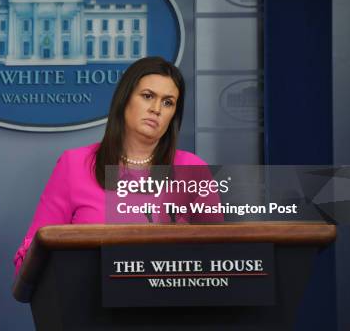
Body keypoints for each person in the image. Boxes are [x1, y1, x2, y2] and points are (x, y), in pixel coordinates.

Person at [13, 57, 223, 274]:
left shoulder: (192, 168)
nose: (156, 109)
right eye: (148, 96)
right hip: (87, 300)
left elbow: (219, 256)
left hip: (171, 301)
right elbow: (30, 259)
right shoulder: (75, 164)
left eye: (168, 102)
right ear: (124, 100)